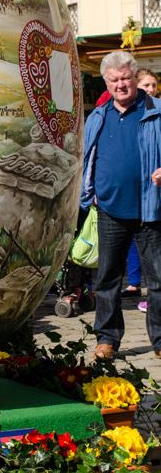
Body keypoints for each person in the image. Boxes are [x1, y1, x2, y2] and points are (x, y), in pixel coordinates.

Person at [81, 51, 161, 359]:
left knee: (158, 281)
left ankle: (160, 341)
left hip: (151, 209)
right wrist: (89, 190)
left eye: (125, 78)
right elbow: (87, 157)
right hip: (110, 210)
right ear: (106, 82)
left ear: (135, 77)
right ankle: (107, 339)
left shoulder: (156, 111)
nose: (120, 85)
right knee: (107, 280)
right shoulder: (98, 116)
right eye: (114, 80)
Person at [121, 69, 160, 310]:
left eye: (154, 85)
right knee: (137, 245)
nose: (151, 89)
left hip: (155, 194)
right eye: (147, 85)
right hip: (135, 195)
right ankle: (136, 284)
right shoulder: (125, 113)